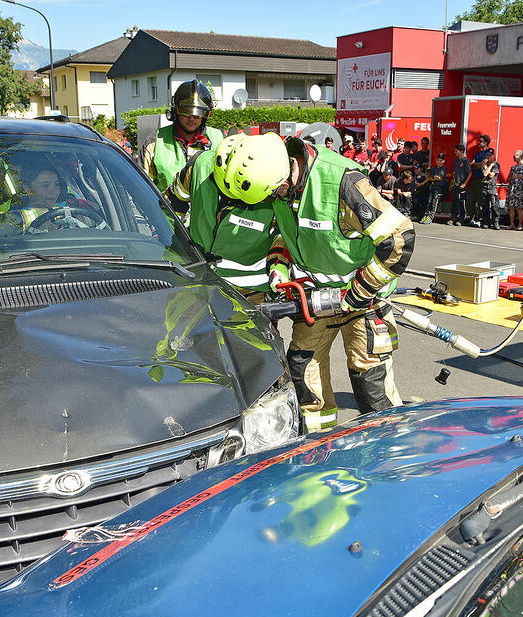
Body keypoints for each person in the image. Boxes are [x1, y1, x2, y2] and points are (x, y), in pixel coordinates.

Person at [215, 134, 415, 430]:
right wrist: (279, 264)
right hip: (318, 297)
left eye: (272, 195)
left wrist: (358, 293)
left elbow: (401, 238)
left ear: (284, 175)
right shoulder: (280, 186)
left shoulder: (342, 183)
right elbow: (288, 233)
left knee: (369, 381)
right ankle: (317, 455)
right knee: (303, 370)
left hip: (364, 297)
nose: (272, 201)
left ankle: (387, 456)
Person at [181, 134, 277, 299]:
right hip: (196, 281)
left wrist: (278, 267)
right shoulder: (199, 166)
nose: (233, 197)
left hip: (251, 292)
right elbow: (171, 208)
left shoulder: (272, 184)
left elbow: (285, 236)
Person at [139, 79, 223, 217]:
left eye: (198, 112)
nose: (192, 118)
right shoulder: (155, 142)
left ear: (206, 114)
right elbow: (142, 190)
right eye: (186, 111)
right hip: (168, 225)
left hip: (207, 228)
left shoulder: (219, 140)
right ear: (176, 111)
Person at [421, 152, 448, 224]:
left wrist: (433, 178)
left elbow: (439, 178)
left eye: (441, 160)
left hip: (439, 188)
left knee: (434, 202)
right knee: (429, 201)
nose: (439, 162)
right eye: (438, 160)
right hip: (432, 186)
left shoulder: (443, 168)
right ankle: (426, 216)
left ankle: (430, 217)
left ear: (443, 161)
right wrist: (433, 178)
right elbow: (431, 177)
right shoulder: (434, 168)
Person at [505, 150, 523, 230]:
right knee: (511, 207)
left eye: (517, 155)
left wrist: (522, 176)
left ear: (522, 156)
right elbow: (507, 179)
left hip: (520, 189)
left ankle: (520, 225)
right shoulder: (513, 167)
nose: (515, 156)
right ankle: (511, 224)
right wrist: (512, 177)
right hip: (511, 189)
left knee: (519, 207)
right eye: (515, 154)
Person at [478, 153, 502, 229]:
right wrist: (487, 166)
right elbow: (485, 174)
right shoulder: (484, 164)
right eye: (488, 156)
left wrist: (490, 166)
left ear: (493, 156)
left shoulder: (496, 165)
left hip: (492, 187)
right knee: (485, 206)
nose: (489, 157)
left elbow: (491, 175)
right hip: (484, 187)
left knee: (494, 206)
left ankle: (496, 222)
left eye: (491, 156)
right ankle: (486, 222)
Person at [450, 144, 472, 225]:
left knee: (461, 203)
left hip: (462, 186)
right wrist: (451, 184)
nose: (455, 152)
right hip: (455, 185)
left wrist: (464, 183)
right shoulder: (456, 161)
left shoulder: (465, 161)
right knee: (454, 202)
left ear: (461, 151)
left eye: (456, 151)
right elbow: (454, 173)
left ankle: (461, 219)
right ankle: (453, 218)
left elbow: (470, 173)